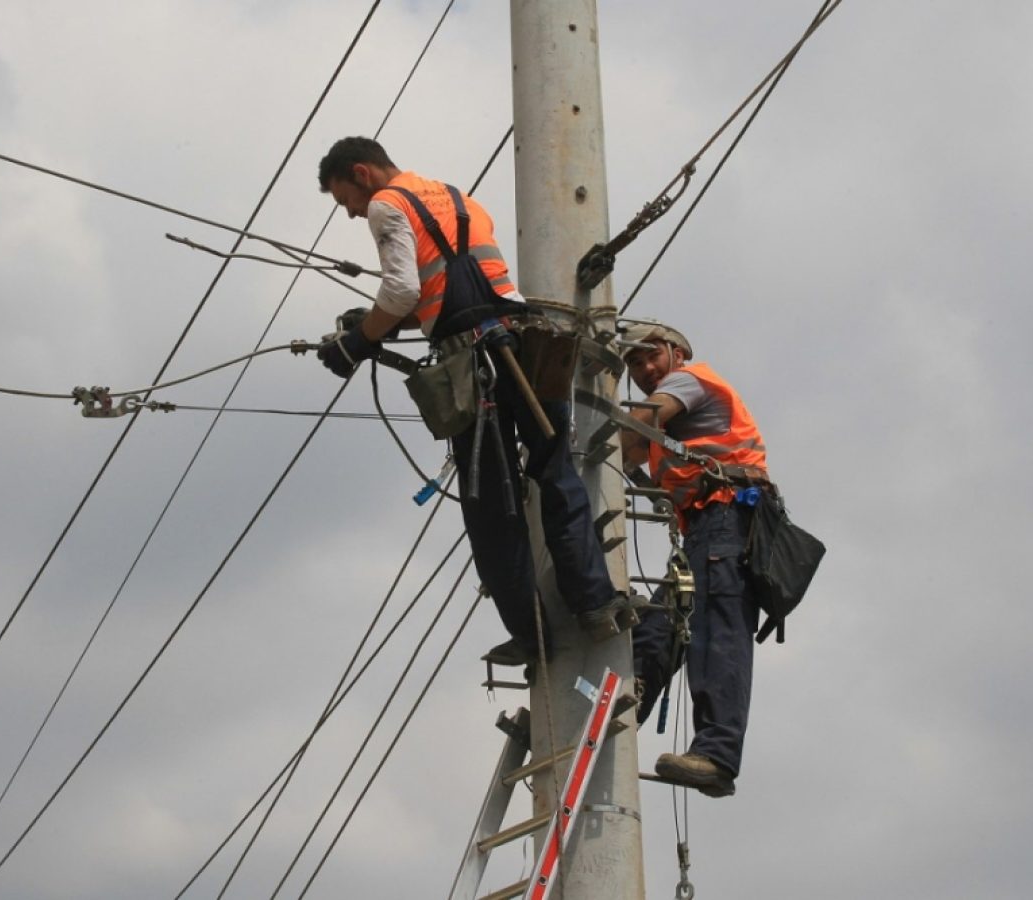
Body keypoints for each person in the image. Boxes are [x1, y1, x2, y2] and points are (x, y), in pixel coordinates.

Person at [315, 136, 635, 667]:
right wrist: (377, 326)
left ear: (362, 173)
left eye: (344, 198)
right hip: (526, 346)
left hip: (475, 366)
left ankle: (532, 635)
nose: (349, 212)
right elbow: (451, 285)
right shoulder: (457, 198)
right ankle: (597, 604)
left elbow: (401, 291)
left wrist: (357, 343)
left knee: (491, 505)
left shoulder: (385, 205)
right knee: (557, 473)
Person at [620, 321, 769, 798]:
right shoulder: (665, 419)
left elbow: (627, 437)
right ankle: (619, 715)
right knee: (658, 628)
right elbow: (625, 457)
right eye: (634, 363)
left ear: (677, 353)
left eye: (652, 355)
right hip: (705, 529)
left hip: (728, 517)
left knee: (716, 632)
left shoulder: (688, 381)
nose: (645, 368)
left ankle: (717, 755)